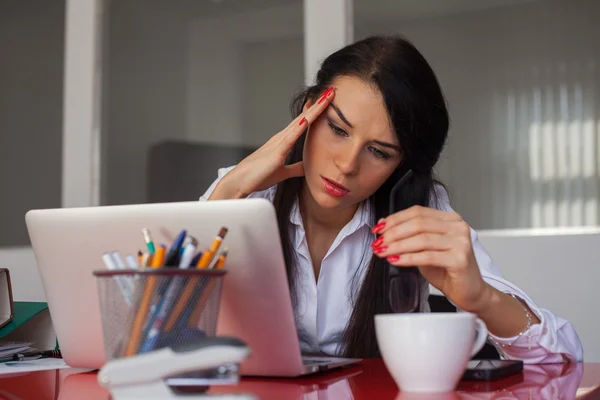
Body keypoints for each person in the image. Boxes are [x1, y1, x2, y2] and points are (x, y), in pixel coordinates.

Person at [199, 35, 583, 363]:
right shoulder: (240, 195)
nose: (347, 165)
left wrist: (481, 298)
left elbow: (564, 358)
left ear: (401, 164)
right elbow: (151, 331)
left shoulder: (417, 206)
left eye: (379, 152)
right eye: (337, 128)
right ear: (307, 110)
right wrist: (229, 193)